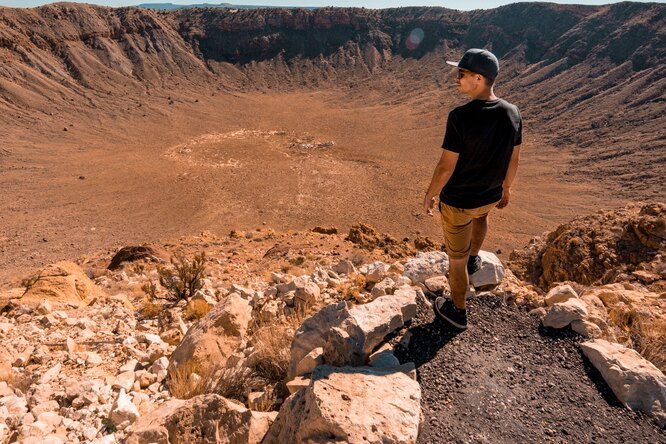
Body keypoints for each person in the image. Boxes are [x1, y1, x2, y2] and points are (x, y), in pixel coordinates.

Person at [423, 48, 522, 330]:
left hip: (458, 201)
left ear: (478, 78)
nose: (457, 78)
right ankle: (474, 260)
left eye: (462, 74)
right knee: (481, 217)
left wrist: (430, 193)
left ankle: (457, 311)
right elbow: (514, 159)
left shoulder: (460, 116)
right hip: (490, 196)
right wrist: (506, 188)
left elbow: (445, 166)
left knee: (455, 260)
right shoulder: (512, 113)